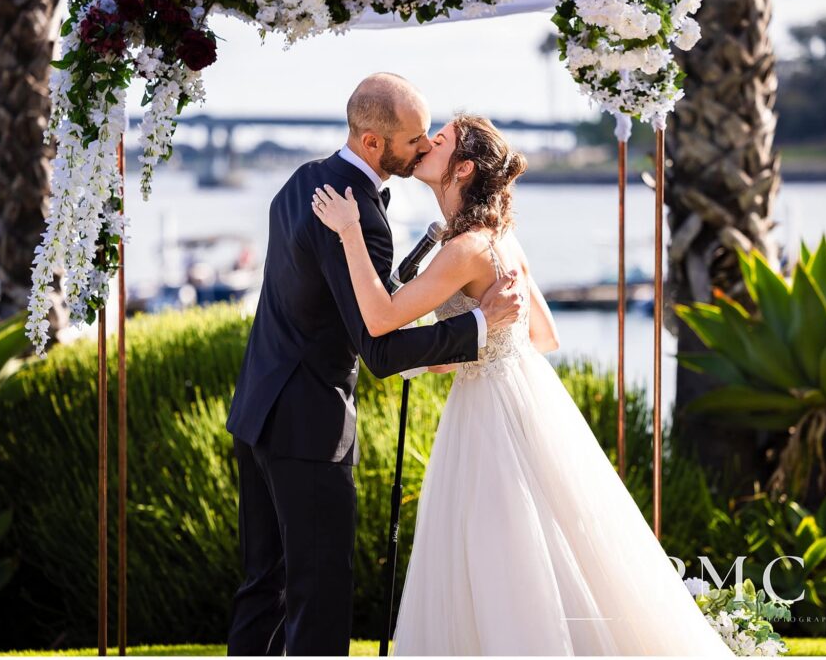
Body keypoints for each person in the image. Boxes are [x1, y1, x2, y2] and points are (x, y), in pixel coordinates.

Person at [311, 113, 736, 656]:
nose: (426, 144)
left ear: (461, 169)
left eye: (437, 141)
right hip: (525, 398)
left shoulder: (464, 248)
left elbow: (378, 317)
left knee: (495, 559)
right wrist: (473, 341)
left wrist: (349, 230)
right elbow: (544, 333)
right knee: (524, 554)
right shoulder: (501, 238)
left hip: (488, 414)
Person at [223, 74, 525, 656]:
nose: (422, 149)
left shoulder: (299, 183)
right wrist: (478, 330)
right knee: (320, 593)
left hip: (257, 410)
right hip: (310, 427)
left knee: (262, 585)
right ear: (371, 144)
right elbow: (379, 348)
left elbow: (332, 303)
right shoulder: (356, 214)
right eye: (414, 139)